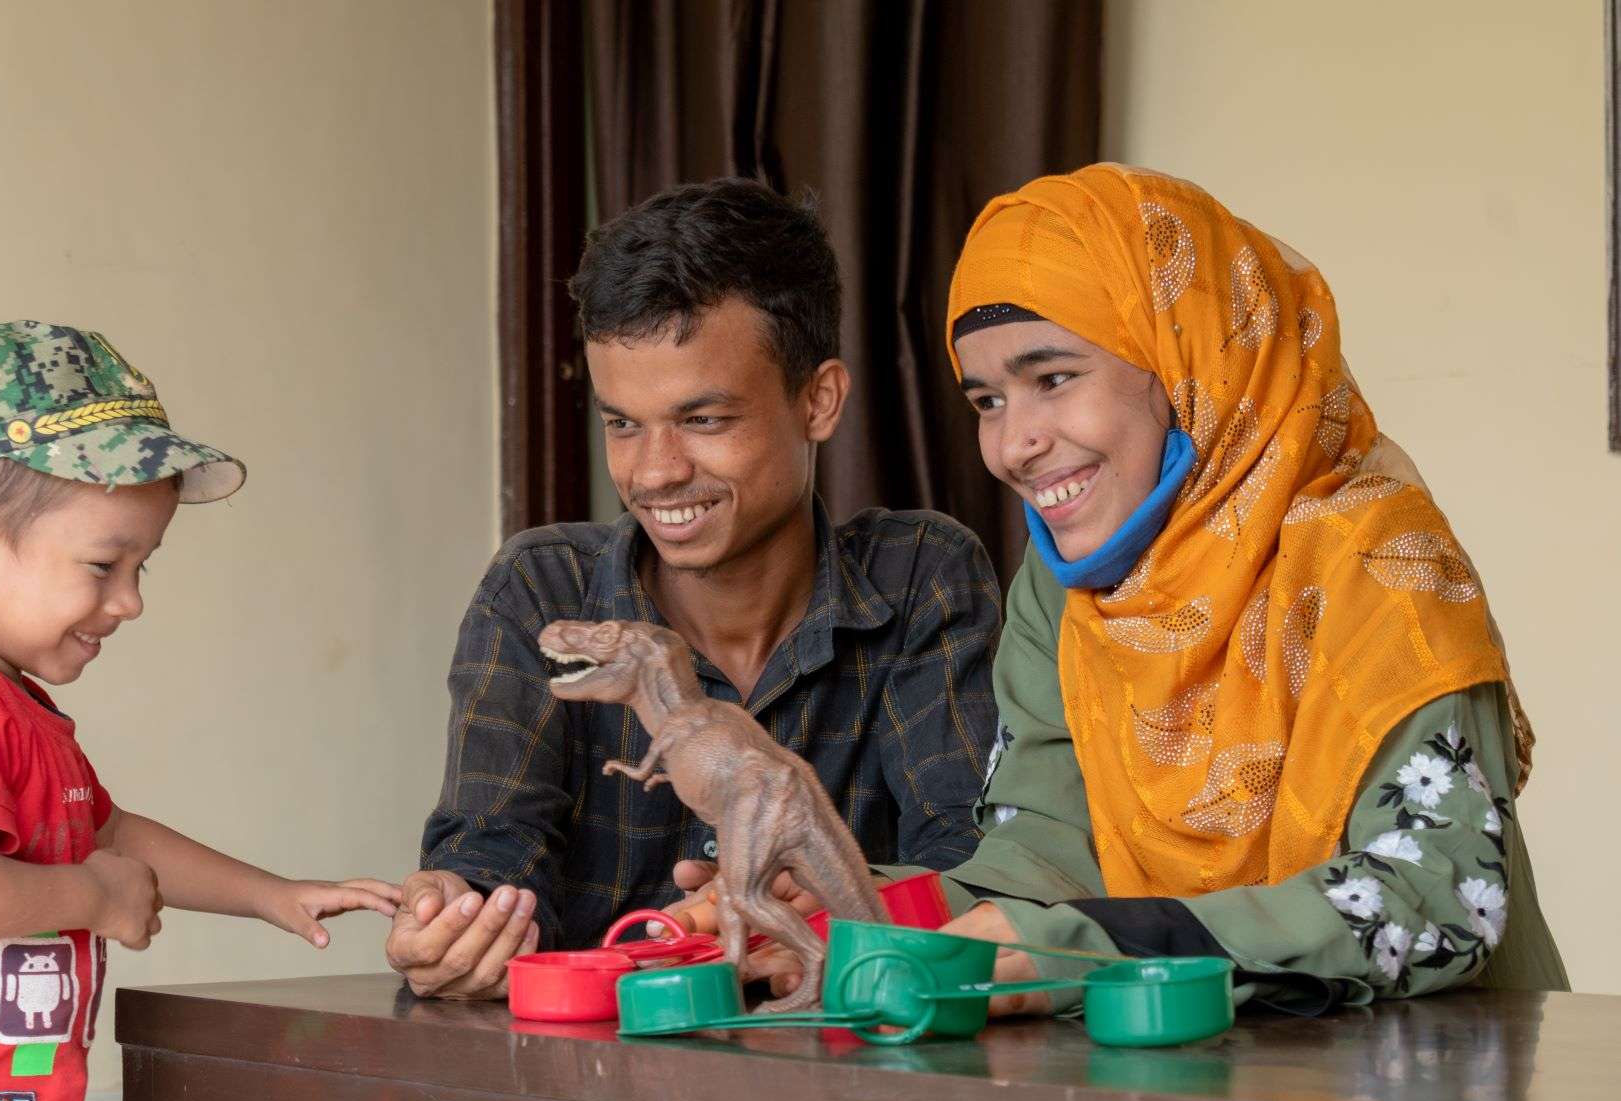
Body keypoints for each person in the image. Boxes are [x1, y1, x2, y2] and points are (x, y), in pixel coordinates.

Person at [925, 164, 1569, 1014]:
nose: (1013, 445)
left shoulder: (1379, 559)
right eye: (987, 401)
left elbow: (1432, 898)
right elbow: (1043, 857)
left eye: (1052, 379)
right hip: (1183, 1083)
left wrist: (1096, 949)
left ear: (1183, 358)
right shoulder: (1062, 592)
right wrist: (844, 912)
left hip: (1438, 1099)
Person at [386, 178, 1000, 1000]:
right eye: (622, 424)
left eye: (704, 421)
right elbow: (491, 853)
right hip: (590, 1091)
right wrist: (457, 919)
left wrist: (827, 910)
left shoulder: (922, 573)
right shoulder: (541, 587)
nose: (654, 472)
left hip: (849, 1079)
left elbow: (969, 866)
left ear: (818, 400)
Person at [0, 322, 402, 1101]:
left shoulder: (7, 703)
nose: (130, 601)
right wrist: (92, 897)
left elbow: (110, 835)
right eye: (105, 565)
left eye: (144, 567)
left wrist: (269, 896)